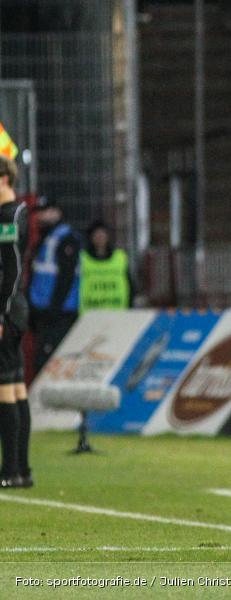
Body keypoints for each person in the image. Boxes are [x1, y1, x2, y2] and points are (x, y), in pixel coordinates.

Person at [0, 156, 32, 488]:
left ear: (4, 179)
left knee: (4, 388)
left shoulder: (11, 216)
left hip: (7, 308)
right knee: (17, 387)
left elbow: (12, 270)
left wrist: (2, 311)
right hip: (14, 307)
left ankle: (9, 470)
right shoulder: (13, 214)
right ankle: (22, 469)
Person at [28, 196, 80, 375]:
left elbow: (65, 278)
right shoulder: (46, 238)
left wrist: (53, 309)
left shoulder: (65, 238)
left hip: (58, 314)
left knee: (49, 362)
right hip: (43, 312)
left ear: (58, 212)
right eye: (39, 212)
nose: (42, 216)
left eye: (46, 211)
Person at [79, 220, 134, 312]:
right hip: (89, 313)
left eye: (102, 234)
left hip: (117, 311)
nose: (100, 238)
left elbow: (130, 283)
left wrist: (130, 305)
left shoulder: (120, 257)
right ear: (91, 237)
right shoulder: (82, 258)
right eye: (96, 235)